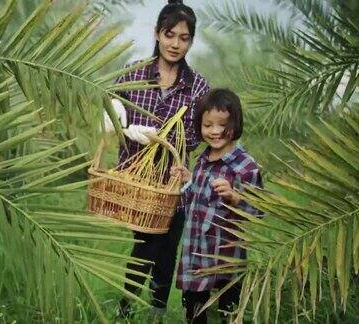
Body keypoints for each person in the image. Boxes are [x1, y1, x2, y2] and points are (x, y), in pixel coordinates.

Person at [102, 0, 209, 320]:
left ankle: (145, 310)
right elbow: (111, 119)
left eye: (184, 37)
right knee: (148, 245)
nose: (176, 44)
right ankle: (133, 309)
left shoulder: (198, 87)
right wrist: (131, 130)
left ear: (191, 41)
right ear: (157, 34)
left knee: (166, 248)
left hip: (174, 186)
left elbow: (206, 134)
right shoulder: (133, 75)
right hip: (137, 185)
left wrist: (180, 154)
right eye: (170, 34)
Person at [170, 88, 264, 323]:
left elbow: (258, 211)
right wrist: (188, 179)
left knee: (227, 312)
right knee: (194, 311)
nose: (215, 131)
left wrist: (235, 197)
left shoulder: (245, 167)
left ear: (236, 123)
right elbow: (198, 200)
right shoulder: (202, 159)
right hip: (195, 253)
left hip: (224, 257)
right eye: (208, 125)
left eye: (223, 125)